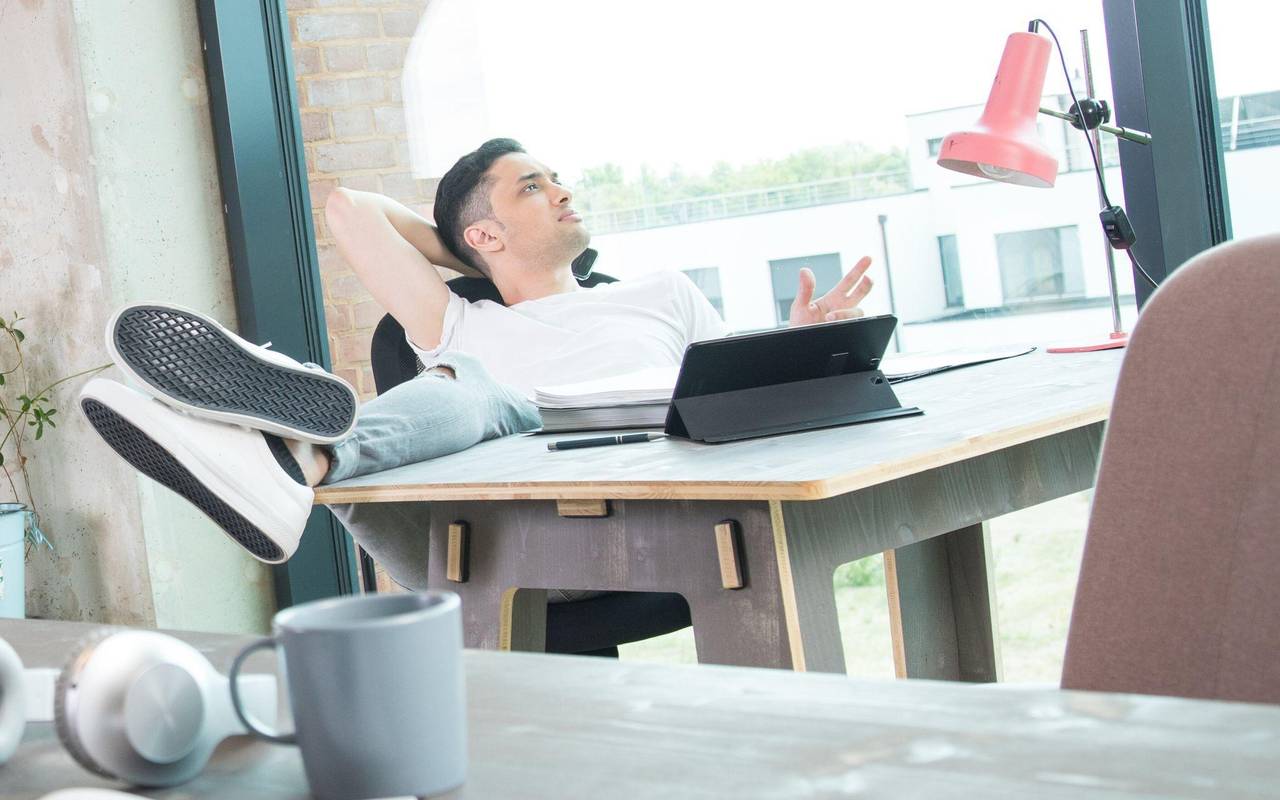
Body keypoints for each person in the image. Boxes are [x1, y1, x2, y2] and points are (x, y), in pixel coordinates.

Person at [79, 138, 874, 590]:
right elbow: (351, 210)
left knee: (470, 386)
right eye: (534, 187)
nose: (564, 191)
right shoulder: (457, 319)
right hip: (528, 519)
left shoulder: (663, 295)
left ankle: (283, 462)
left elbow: (738, 397)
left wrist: (795, 337)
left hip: (669, 500)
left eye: (556, 179)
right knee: (472, 386)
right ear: (486, 235)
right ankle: (297, 459)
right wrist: (474, 249)